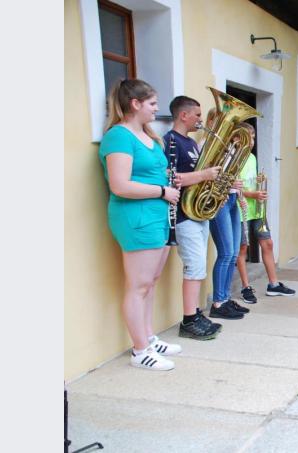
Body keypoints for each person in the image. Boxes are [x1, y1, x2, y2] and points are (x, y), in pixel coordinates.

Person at [98, 78, 182, 371]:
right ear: (135, 104)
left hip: (157, 215)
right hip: (136, 217)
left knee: (150, 282)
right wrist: (161, 191)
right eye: (152, 103)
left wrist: (169, 183)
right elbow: (120, 185)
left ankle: (148, 338)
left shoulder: (148, 135)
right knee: (138, 286)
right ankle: (140, 351)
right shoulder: (119, 136)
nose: (157, 109)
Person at [163, 95, 224, 341]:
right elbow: (172, 178)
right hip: (183, 214)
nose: (200, 119)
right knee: (194, 265)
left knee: (199, 266)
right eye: (197, 115)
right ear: (183, 115)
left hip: (198, 213)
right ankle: (188, 320)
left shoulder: (191, 142)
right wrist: (204, 175)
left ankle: (195, 314)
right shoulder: (170, 141)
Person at [235, 123, 296, 302]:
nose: (252, 142)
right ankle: (246, 287)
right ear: (237, 138)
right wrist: (252, 194)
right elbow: (233, 188)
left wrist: (259, 181)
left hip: (256, 209)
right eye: (248, 138)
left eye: (253, 138)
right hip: (240, 209)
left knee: (267, 243)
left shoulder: (252, 158)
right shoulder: (232, 159)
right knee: (242, 249)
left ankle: (273, 284)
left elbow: (249, 181)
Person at [207, 124, 253, 319]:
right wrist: (229, 183)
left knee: (233, 254)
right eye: (248, 137)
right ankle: (218, 302)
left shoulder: (237, 153)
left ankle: (225, 299)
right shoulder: (218, 149)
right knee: (225, 253)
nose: (251, 142)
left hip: (233, 198)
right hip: (221, 201)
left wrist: (239, 193)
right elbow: (209, 175)